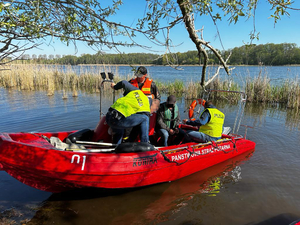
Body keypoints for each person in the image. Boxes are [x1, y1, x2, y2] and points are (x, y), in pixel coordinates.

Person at [106, 80, 151, 145]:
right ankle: (145, 144)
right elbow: (139, 127)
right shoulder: (146, 107)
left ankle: (116, 148)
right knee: (145, 118)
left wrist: (114, 87)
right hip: (118, 120)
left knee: (119, 132)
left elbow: (123, 82)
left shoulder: (136, 91)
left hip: (109, 116)